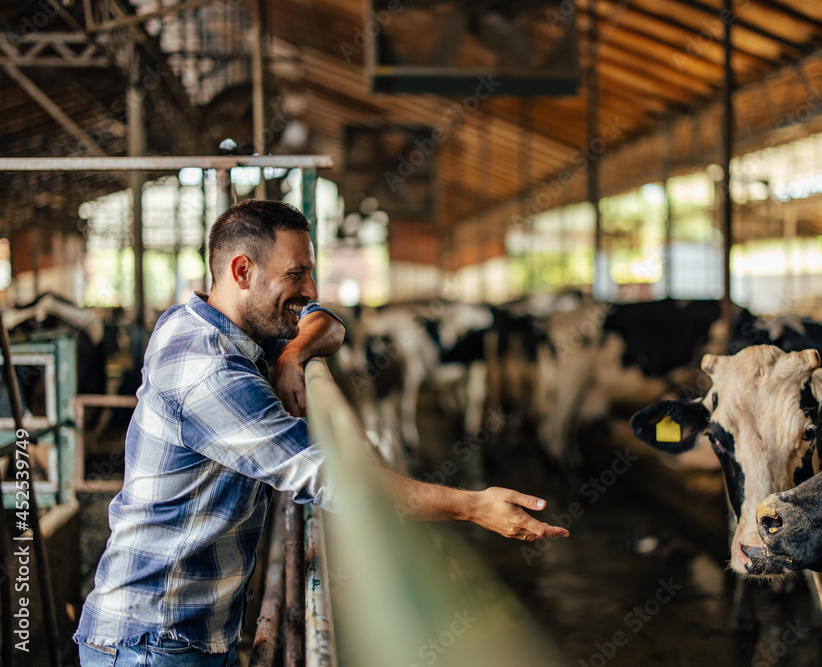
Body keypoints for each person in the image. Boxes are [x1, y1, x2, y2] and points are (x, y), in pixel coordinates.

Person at [74, 199, 569, 666]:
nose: (310, 289)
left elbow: (329, 322)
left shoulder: (217, 323)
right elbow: (340, 481)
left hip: (188, 630)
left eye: (311, 272)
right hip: (150, 642)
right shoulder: (208, 370)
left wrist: (292, 355)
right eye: (297, 274)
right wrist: (473, 506)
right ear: (242, 271)